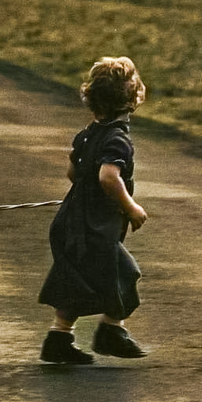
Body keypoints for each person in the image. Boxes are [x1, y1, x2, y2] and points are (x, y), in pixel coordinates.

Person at [38, 56, 149, 365]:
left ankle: (59, 338)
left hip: (72, 221)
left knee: (76, 279)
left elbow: (74, 173)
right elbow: (107, 176)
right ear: (132, 100)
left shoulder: (88, 134)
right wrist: (131, 207)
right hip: (94, 228)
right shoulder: (118, 139)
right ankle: (111, 331)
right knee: (125, 273)